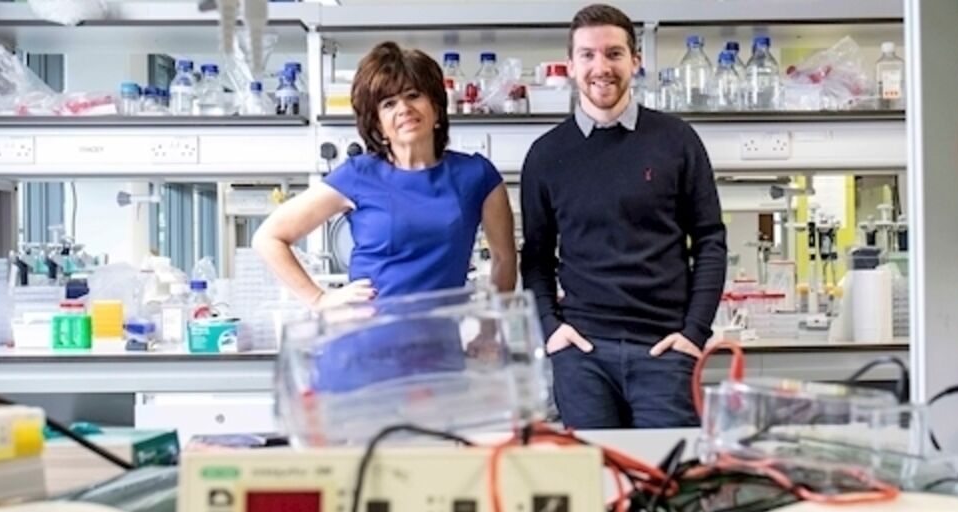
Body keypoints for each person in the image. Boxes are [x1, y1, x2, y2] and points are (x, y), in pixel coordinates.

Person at [520, 3, 728, 429]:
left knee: (669, 468)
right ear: (571, 65)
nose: (601, 67)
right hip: (582, 355)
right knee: (593, 470)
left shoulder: (677, 140)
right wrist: (550, 329)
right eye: (588, 55)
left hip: (664, 351)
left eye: (614, 54)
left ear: (635, 60)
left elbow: (710, 240)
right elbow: (536, 257)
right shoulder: (545, 155)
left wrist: (694, 333)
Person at [253, 41, 517, 306]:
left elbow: (504, 259)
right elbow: (268, 238)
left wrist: (492, 322)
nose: (404, 109)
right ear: (377, 123)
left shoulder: (477, 176)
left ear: (436, 107)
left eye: (413, 95)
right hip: (368, 328)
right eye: (389, 103)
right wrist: (319, 300)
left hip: (445, 328)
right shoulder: (357, 175)